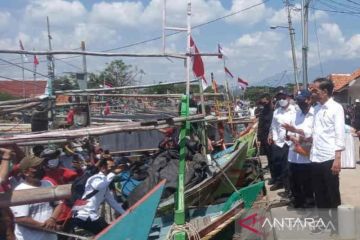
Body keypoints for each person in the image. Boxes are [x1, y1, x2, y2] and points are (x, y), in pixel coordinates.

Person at [309, 78, 345, 211]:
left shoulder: (336, 108)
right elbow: (316, 133)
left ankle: (336, 225)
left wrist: (337, 158)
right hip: (315, 156)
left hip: (329, 157)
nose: (312, 93)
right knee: (319, 193)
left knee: (332, 193)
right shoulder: (316, 109)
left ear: (324, 92)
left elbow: (339, 134)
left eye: (315, 90)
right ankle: (323, 222)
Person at [70, 159, 125, 234]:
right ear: (103, 168)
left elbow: (113, 203)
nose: (114, 169)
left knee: (106, 231)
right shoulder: (95, 178)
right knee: (108, 232)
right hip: (84, 215)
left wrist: (125, 213)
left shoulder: (105, 187)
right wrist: (113, 173)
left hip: (88, 216)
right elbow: (99, 186)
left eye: (114, 167)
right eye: (111, 167)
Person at [10, 156, 59, 240]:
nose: (41, 169)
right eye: (36, 167)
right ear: (26, 172)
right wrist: (45, 226)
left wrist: (52, 219)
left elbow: (58, 204)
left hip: (50, 237)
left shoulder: (48, 184)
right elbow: (21, 219)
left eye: (41, 166)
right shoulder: (20, 191)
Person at [282, 90, 315, 208]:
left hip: (306, 154)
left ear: (309, 100)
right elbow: (290, 129)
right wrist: (290, 136)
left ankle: (309, 202)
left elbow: (312, 134)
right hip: (293, 153)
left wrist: (299, 136)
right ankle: (298, 201)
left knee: (307, 181)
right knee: (294, 180)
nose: (300, 103)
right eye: (298, 101)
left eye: (302, 101)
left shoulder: (315, 114)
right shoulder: (296, 114)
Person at [268, 91, 296, 192]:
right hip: (279, 142)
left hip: (291, 142)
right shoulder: (276, 112)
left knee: (288, 167)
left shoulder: (295, 110)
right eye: (279, 98)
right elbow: (274, 126)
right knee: (278, 164)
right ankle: (281, 183)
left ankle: (290, 189)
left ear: (288, 98)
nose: (281, 100)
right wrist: (274, 138)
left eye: (283, 97)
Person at [257, 94, 273, 176]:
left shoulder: (273, 111)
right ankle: (270, 166)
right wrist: (259, 138)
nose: (263, 104)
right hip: (264, 136)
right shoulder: (263, 111)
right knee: (267, 153)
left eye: (265, 102)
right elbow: (260, 125)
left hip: (271, 136)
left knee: (272, 153)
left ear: (269, 100)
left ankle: (272, 167)